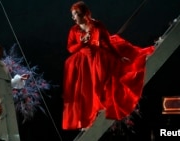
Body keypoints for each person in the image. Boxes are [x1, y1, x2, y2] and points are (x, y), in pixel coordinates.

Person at [62, 1, 155, 130]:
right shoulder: (74, 30)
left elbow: (107, 42)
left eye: (75, 14)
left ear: (83, 14)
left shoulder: (97, 25)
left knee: (108, 78)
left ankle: (105, 103)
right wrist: (82, 43)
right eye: (72, 15)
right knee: (87, 88)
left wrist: (118, 56)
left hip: (99, 58)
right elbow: (70, 48)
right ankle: (90, 114)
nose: (73, 18)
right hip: (85, 61)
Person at [0, 40, 29, 141]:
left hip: (7, 103)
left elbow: (8, 84)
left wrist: (19, 79)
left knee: (6, 133)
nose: (2, 50)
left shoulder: (2, 66)